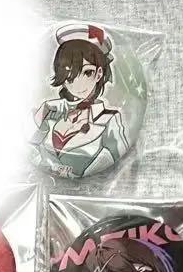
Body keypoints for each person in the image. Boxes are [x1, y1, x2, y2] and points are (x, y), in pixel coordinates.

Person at [33, 24, 129, 178]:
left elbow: (121, 161)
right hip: (42, 182)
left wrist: (78, 175)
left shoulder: (108, 120)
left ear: (99, 74)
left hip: (92, 187)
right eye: (69, 73)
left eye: (87, 72)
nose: (79, 84)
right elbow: (27, 146)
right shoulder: (50, 111)